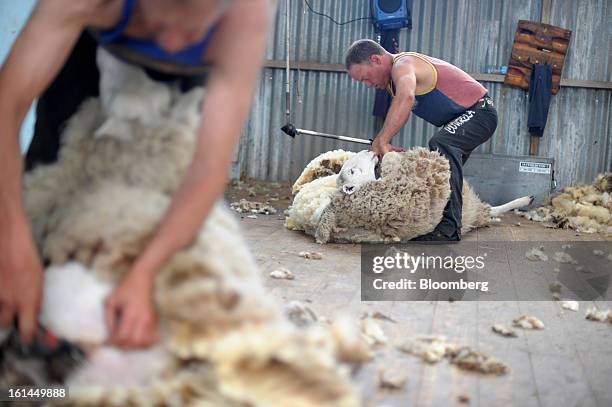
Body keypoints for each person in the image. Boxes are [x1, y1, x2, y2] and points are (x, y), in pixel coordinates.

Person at [0, 0, 273, 348]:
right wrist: (12, 238)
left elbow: (209, 167)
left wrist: (144, 274)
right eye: (162, 24)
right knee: (46, 197)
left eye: (192, 28)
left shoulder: (247, 13)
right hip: (90, 45)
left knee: (177, 246)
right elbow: (6, 108)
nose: (173, 43)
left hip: (192, 77)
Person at [344, 39, 498, 242]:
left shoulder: (402, 64)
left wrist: (383, 140)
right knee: (440, 171)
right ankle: (439, 222)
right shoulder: (393, 82)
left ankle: (449, 230)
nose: (368, 85)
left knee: (441, 144)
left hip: (480, 111)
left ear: (376, 59)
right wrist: (384, 144)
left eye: (365, 77)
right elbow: (400, 111)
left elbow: (405, 99)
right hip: (467, 117)